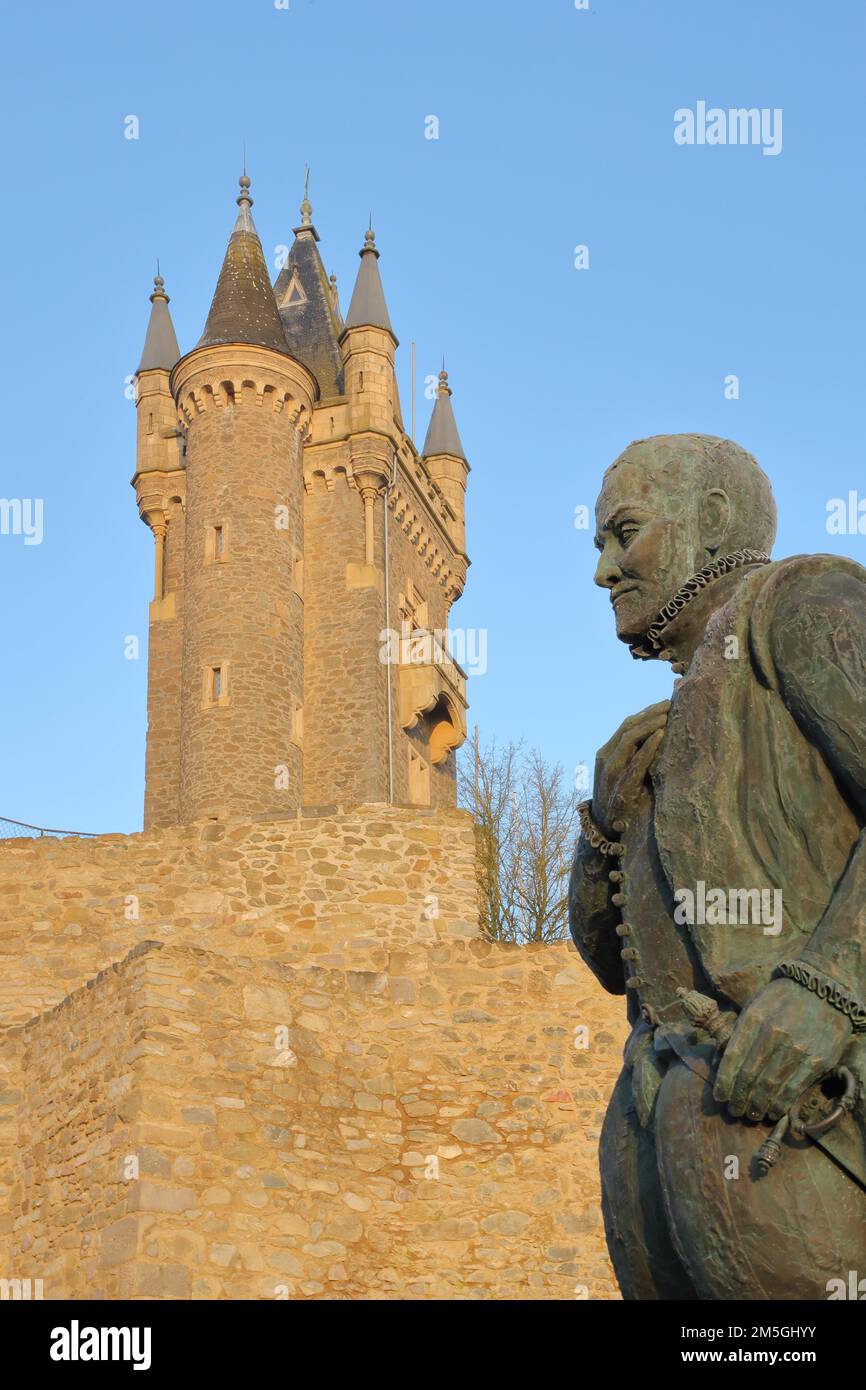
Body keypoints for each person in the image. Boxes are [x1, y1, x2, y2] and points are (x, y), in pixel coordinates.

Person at [569, 433, 866, 1299]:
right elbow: (607, 964)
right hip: (670, 1191)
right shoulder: (650, 738)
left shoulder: (803, 606)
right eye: (599, 545)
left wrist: (826, 985)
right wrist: (603, 824)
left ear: (711, 521)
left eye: (624, 534)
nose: (605, 571)